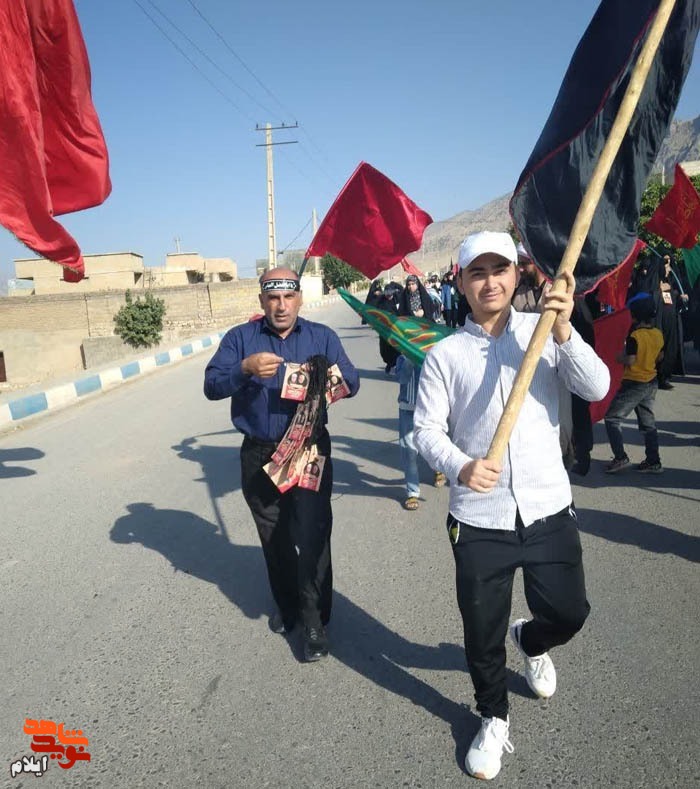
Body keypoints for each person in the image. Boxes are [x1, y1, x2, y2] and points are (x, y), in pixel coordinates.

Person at [413, 231, 609, 781]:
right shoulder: (444, 355)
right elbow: (426, 430)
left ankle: (532, 639)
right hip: (479, 518)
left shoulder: (542, 331)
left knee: (570, 613)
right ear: (461, 282)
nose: (490, 282)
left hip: (548, 508)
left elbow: (596, 388)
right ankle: (493, 716)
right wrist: (461, 465)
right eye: (477, 273)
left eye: (499, 269)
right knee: (482, 634)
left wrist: (564, 329)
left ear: (517, 274)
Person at [203, 268, 360, 662]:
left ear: (299, 298)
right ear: (262, 300)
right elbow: (212, 385)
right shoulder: (240, 339)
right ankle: (288, 606)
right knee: (274, 538)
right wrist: (244, 369)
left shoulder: (322, 337)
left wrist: (327, 376)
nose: (281, 306)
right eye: (273, 298)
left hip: (309, 451)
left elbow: (353, 381)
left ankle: (315, 619)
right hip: (259, 454)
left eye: (289, 297)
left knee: (313, 534)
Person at [604, 293, 664, 474]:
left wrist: (619, 358)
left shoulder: (635, 336)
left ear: (635, 316)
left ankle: (620, 457)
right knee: (648, 423)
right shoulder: (658, 334)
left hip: (634, 383)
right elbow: (660, 356)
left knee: (612, 418)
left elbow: (630, 359)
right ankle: (654, 461)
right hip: (651, 381)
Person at [396, 354, 445, 510]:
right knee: (409, 452)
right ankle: (412, 492)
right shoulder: (402, 357)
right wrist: (409, 360)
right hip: (407, 409)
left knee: (432, 444)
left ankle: (438, 469)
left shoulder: (432, 356)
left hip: (429, 409)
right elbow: (402, 379)